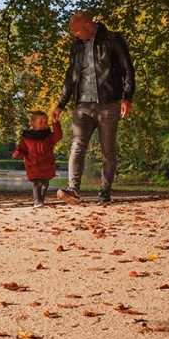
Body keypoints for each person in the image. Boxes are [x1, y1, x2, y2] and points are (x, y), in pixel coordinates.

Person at [53, 11, 135, 206]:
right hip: (82, 105)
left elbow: (127, 69)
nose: (74, 34)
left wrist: (127, 97)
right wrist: (61, 104)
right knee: (77, 146)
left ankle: (105, 191)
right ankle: (73, 190)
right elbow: (71, 77)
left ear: (89, 25)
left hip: (108, 103)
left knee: (108, 150)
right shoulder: (77, 46)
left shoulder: (112, 39)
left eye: (76, 30)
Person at [12, 109, 63, 207]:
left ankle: (41, 199)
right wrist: (18, 152)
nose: (44, 124)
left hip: (46, 164)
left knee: (45, 183)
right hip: (33, 164)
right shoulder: (26, 137)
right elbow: (22, 148)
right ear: (32, 123)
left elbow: (59, 136)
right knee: (37, 182)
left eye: (45, 122)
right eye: (41, 122)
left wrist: (55, 123)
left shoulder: (49, 136)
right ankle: (37, 201)